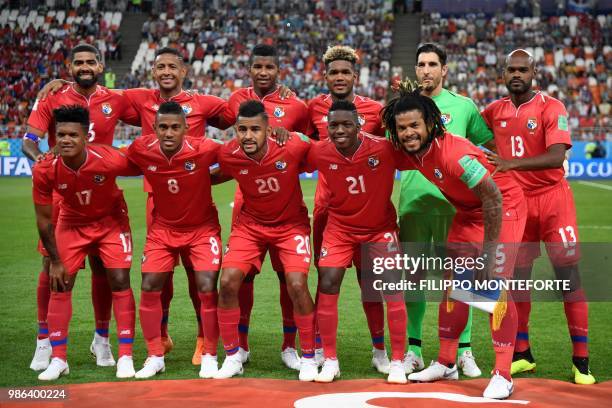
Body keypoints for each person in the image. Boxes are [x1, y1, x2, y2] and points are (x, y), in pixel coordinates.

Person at [383, 81, 526, 399]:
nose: (408, 133)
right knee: (455, 285)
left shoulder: (454, 155)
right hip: (467, 212)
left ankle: (503, 374)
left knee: (492, 287)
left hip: (504, 206)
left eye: (414, 125)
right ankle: (447, 362)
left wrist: (489, 256)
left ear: (430, 123)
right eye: (402, 127)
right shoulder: (415, 152)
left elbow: (492, 198)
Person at [482, 49, 596, 385]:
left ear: (534, 72)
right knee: (517, 280)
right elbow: (470, 132)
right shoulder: (494, 111)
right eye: (510, 69)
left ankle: (581, 360)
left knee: (568, 278)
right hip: (516, 204)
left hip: (552, 200)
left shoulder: (552, 107)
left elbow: (556, 154)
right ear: (503, 73)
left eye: (523, 69)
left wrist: (511, 164)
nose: (516, 74)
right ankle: (522, 354)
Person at [24, 43, 140, 372]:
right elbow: (29, 140)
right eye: (79, 62)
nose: (85, 66)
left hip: (102, 189)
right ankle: (44, 341)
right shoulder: (52, 96)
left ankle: (101, 339)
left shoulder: (115, 98)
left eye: (91, 61)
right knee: (52, 268)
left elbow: (154, 112)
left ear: (101, 65)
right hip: (63, 193)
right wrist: (42, 164)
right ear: (69, 66)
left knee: (106, 270)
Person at [399, 43, 496, 376]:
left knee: (458, 280)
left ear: (445, 69)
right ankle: (413, 348)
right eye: (421, 64)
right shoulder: (403, 108)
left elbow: (489, 147)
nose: (426, 70)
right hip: (412, 205)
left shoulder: (464, 107)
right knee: (412, 277)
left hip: (454, 209)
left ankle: (463, 350)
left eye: (432, 64)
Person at [221, 44, 311, 370]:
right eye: (257, 66)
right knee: (241, 278)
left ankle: (290, 346)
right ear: (249, 68)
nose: (262, 73)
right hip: (246, 204)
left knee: (289, 278)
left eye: (268, 68)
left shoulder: (295, 105)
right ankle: (240, 346)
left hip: (285, 202)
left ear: (278, 71)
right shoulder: (234, 100)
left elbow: (311, 143)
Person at [305, 100, 408, 384]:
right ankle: (330, 360)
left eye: (346, 124)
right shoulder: (320, 151)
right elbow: (291, 153)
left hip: (379, 229)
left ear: (359, 125)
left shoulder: (384, 148)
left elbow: (418, 154)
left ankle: (393, 359)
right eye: (333, 125)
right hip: (340, 229)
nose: (339, 130)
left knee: (389, 285)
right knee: (327, 281)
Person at [307, 45, 390, 373]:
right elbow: (300, 142)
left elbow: (387, 148)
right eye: (333, 73)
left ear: (355, 76)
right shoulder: (312, 107)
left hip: (366, 208)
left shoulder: (375, 110)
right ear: (325, 76)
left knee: (370, 281)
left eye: (345, 73)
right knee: (326, 277)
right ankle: (318, 348)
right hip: (327, 206)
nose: (339, 78)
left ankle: (380, 349)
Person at [126, 101, 224, 379]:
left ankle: (209, 354)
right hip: (163, 230)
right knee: (150, 284)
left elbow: (237, 155)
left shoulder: (206, 148)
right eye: (163, 127)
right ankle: (155, 355)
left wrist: (208, 179)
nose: (169, 133)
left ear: (186, 129)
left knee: (206, 285)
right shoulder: (141, 148)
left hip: (202, 229)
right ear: (155, 129)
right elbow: (117, 162)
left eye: (175, 127)